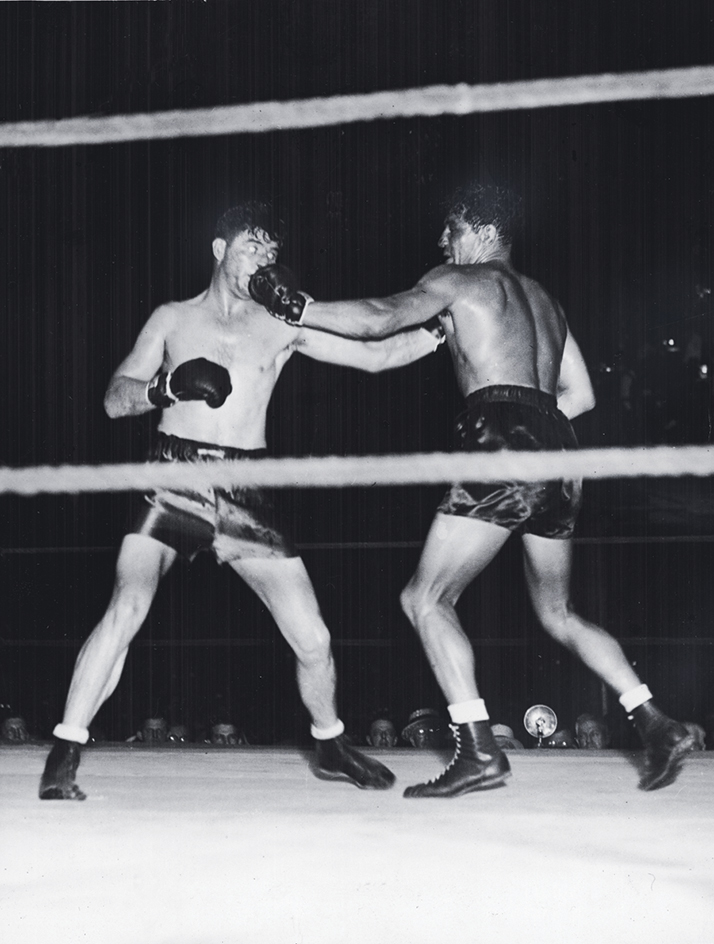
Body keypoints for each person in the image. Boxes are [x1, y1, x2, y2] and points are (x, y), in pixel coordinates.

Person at [250, 182, 695, 797]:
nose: (442, 241)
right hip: (559, 449)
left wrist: (298, 308)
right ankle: (655, 722)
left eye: (451, 229)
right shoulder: (545, 302)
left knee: (424, 599)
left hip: (503, 438)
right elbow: (582, 397)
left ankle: (479, 749)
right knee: (559, 613)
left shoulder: (463, 281)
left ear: (483, 231)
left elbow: (381, 318)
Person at [39, 201, 444, 800]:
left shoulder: (281, 322)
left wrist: (441, 329)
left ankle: (330, 743)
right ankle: (64, 752)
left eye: (272, 252)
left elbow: (376, 355)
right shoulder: (172, 319)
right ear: (219, 249)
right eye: (253, 246)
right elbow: (113, 399)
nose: (265, 259)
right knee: (127, 606)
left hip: (247, 489)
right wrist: (168, 386)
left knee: (313, 637)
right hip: (172, 476)